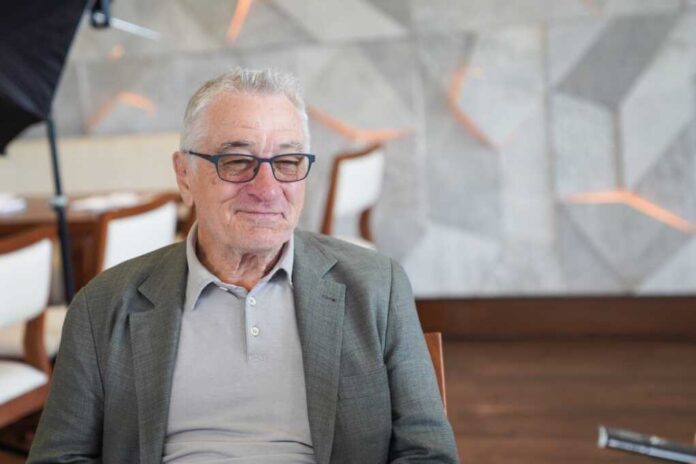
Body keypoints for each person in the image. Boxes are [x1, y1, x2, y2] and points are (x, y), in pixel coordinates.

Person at [28, 68, 458, 464]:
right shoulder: (102, 306)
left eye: (287, 162)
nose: (267, 189)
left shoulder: (376, 286)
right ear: (184, 175)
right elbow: (58, 458)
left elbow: (428, 453)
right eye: (237, 162)